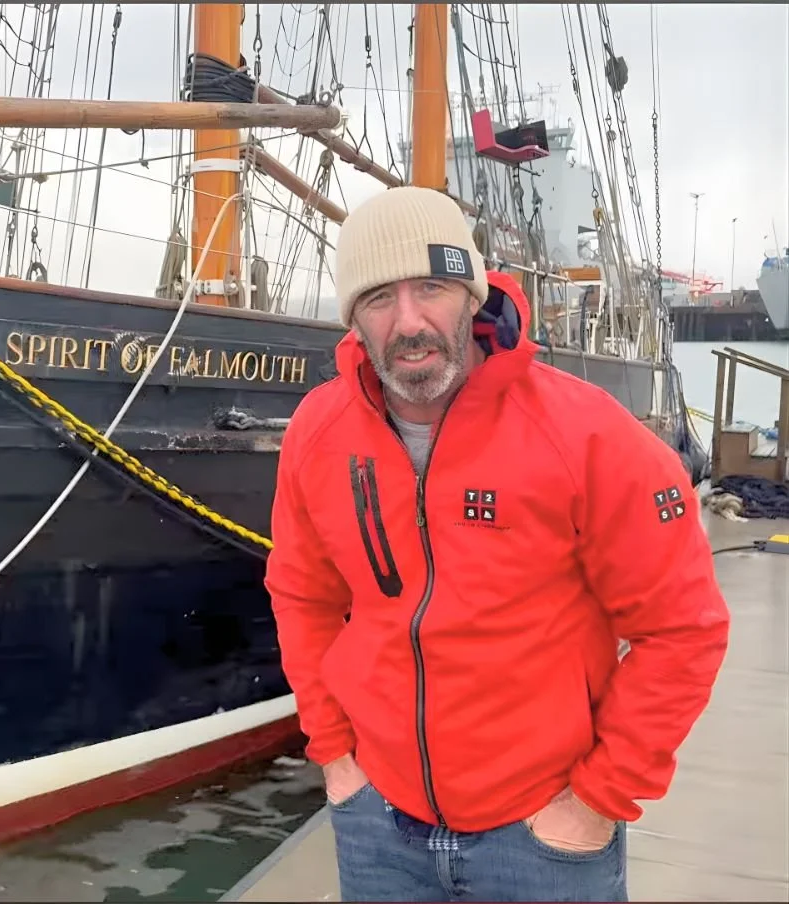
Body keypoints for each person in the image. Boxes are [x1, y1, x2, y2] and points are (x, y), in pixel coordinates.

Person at [264, 186, 730, 903]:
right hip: (379, 824)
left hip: (543, 836)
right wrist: (334, 755)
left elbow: (682, 629)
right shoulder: (318, 435)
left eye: (432, 287)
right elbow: (303, 595)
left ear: (473, 296)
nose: (410, 321)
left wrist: (598, 801)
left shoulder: (587, 437)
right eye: (380, 297)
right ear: (354, 318)